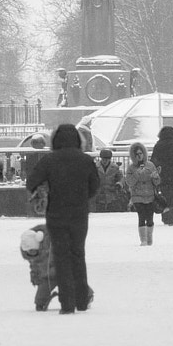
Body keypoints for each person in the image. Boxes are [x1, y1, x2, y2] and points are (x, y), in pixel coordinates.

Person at [24, 124, 101, 314]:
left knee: (61, 257)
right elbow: (95, 186)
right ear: (77, 139)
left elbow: (31, 182)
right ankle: (81, 300)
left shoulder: (49, 160)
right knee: (78, 254)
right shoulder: (85, 160)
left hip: (56, 214)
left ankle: (67, 304)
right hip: (79, 214)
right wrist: (82, 197)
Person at [125, 143, 163, 245]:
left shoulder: (150, 165)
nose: (139, 156)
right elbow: (129, 182)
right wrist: (137, 173)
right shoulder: (131, 168)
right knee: (141, 216)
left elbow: (157, 182)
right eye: (136, 154)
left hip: (150, 195)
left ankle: (149, 239)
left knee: (150, 218)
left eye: (141, 153)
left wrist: (155, 177)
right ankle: (143, 240)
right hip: (137, 196)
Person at [20, 224, 58, 311]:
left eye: (33, 250)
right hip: (47, 277)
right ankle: (40, 303)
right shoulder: (31, 255)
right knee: (41, 295)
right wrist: (35, 276)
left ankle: (86, 296)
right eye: (29, 252)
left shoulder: (51, 243)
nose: (31, 253)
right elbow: (34, 267)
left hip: (62, 271)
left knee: (74, 283)